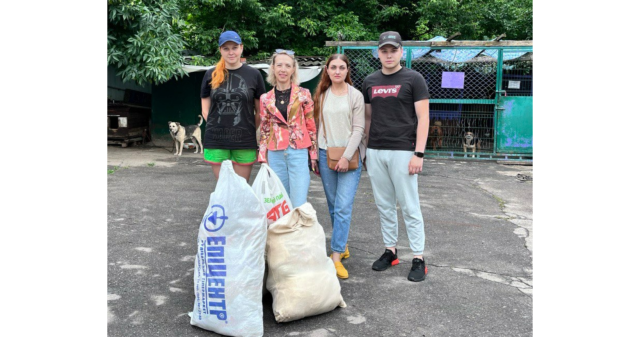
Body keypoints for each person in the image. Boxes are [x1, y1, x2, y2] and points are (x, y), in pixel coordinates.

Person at [362, 31, 430, 282]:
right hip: (376, 150)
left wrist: (418, 154)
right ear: (378, 53)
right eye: (384, 50)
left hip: (404, 150)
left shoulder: (414, 78)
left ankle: (419, 258)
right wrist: (367, 151)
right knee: (384, 204)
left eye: (393, 50)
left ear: (401, 51)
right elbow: (368, 118)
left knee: (410, 206)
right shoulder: (370, 80)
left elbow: (424, 118)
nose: (388, 55)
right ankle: (390, 251)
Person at [312, 54, 365, 279]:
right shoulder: (322, 96)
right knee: (334, 206)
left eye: (341, 67)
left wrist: (346, 156)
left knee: (343, 206)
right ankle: (342, 245)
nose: (337, 71)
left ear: (347, 70)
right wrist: (315, 154)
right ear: (327, 70)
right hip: (326, 155)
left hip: (350, 157)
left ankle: (335, 257)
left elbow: (359, 128)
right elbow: (317, 127)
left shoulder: (356, 96)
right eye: (333, 67)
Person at [200, 31, 266, 182]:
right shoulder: (211, 74)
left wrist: (248, 128)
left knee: (242, 189)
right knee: (224, 189)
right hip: (217, 140)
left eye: (234, 47)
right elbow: (205, 109)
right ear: (220, 50)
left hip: (244, 140)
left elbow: (260, 110)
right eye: (226, 48)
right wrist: (217, 125)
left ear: (241, 48)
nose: (231, 52)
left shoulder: (254, 74)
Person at [258, 49, 317, 208]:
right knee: (280, 202)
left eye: (287, 65)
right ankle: (282, 233)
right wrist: (262, 155)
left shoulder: (304, 94)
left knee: (298, 203)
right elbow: (264, 128)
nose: (283, 69)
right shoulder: (265, 98)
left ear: (293, 69)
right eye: (279, 65)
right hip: (275, 153)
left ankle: (297, 233)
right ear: (273, 68)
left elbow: (311, 125)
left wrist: (313, 154)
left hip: (298, 151)